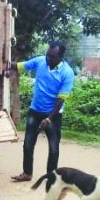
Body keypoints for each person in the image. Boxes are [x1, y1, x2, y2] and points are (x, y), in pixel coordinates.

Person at [10, 41, 75, 182]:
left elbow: (61, 99)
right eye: (48, 55)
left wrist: (49, 118)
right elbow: (18, 66)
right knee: (27, 144)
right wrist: (3, 62)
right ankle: (27, 173)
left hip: (54, 115)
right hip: (35, 111)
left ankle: (51, 177)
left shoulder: (67, 73)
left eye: (52, 56)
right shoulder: (40, 61)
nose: (48, 58)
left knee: (53, 148)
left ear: (60, 57)